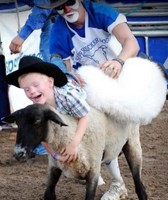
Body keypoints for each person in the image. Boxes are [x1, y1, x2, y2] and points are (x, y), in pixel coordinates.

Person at [40, 0, 140, 199]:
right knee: (99, 131)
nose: (66, 9)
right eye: (59, 7)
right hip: (91, 86)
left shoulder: (101, 13)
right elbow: (63, 64)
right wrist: (69, 76)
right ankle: (117, 182)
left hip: (122, 77)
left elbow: (132, 43)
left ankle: (117, 182)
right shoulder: (59, 29)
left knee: (126, 135)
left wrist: (119, 61)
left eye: (69, 2)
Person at [5, 55, 90, 163]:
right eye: (26, 89)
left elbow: (85, 116)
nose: (31, 91)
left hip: (75, 94)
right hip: (54, 103)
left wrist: (74, 144)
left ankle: (58, 57)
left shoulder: (68, 97)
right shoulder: (39, 101)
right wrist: (55, 155)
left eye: (35, 85)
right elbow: (42, 133)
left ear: (50, 82)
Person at [9, 0, 66, 72]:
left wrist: (22, 35)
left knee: (52, 58)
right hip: (55, 15)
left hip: (60, 14)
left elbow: (45, 4)